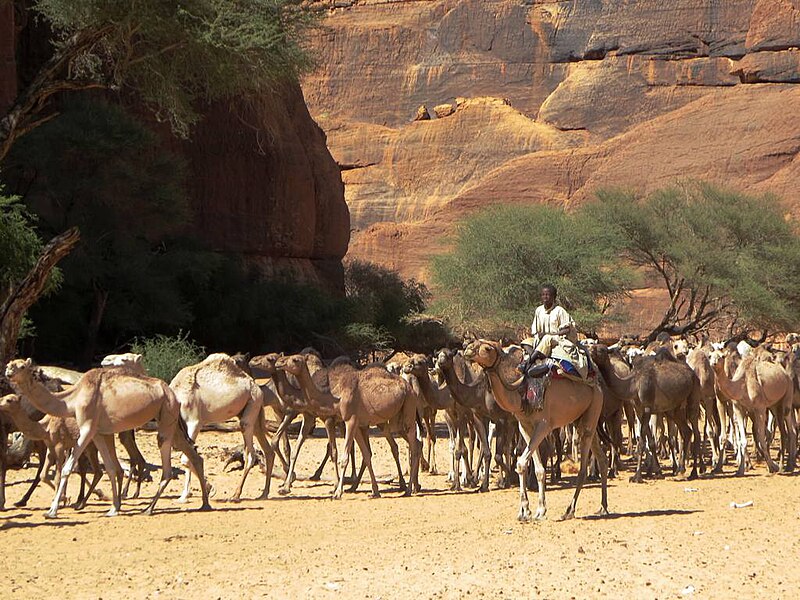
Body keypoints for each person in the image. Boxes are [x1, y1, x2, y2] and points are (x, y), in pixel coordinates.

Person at [529, 283, 577, 361]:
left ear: (553, 297)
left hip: (557, 339)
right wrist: (539, 335)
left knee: (547, 338)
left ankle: (529, 362)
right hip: (542, 339)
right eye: (543, 294)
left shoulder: (559, 310)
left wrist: (549, 334)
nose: (545, 297)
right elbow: (535, 329)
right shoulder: (539, 310)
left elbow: (567, 329)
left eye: (548, 295)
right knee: (526, 342)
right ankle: (536, 358)